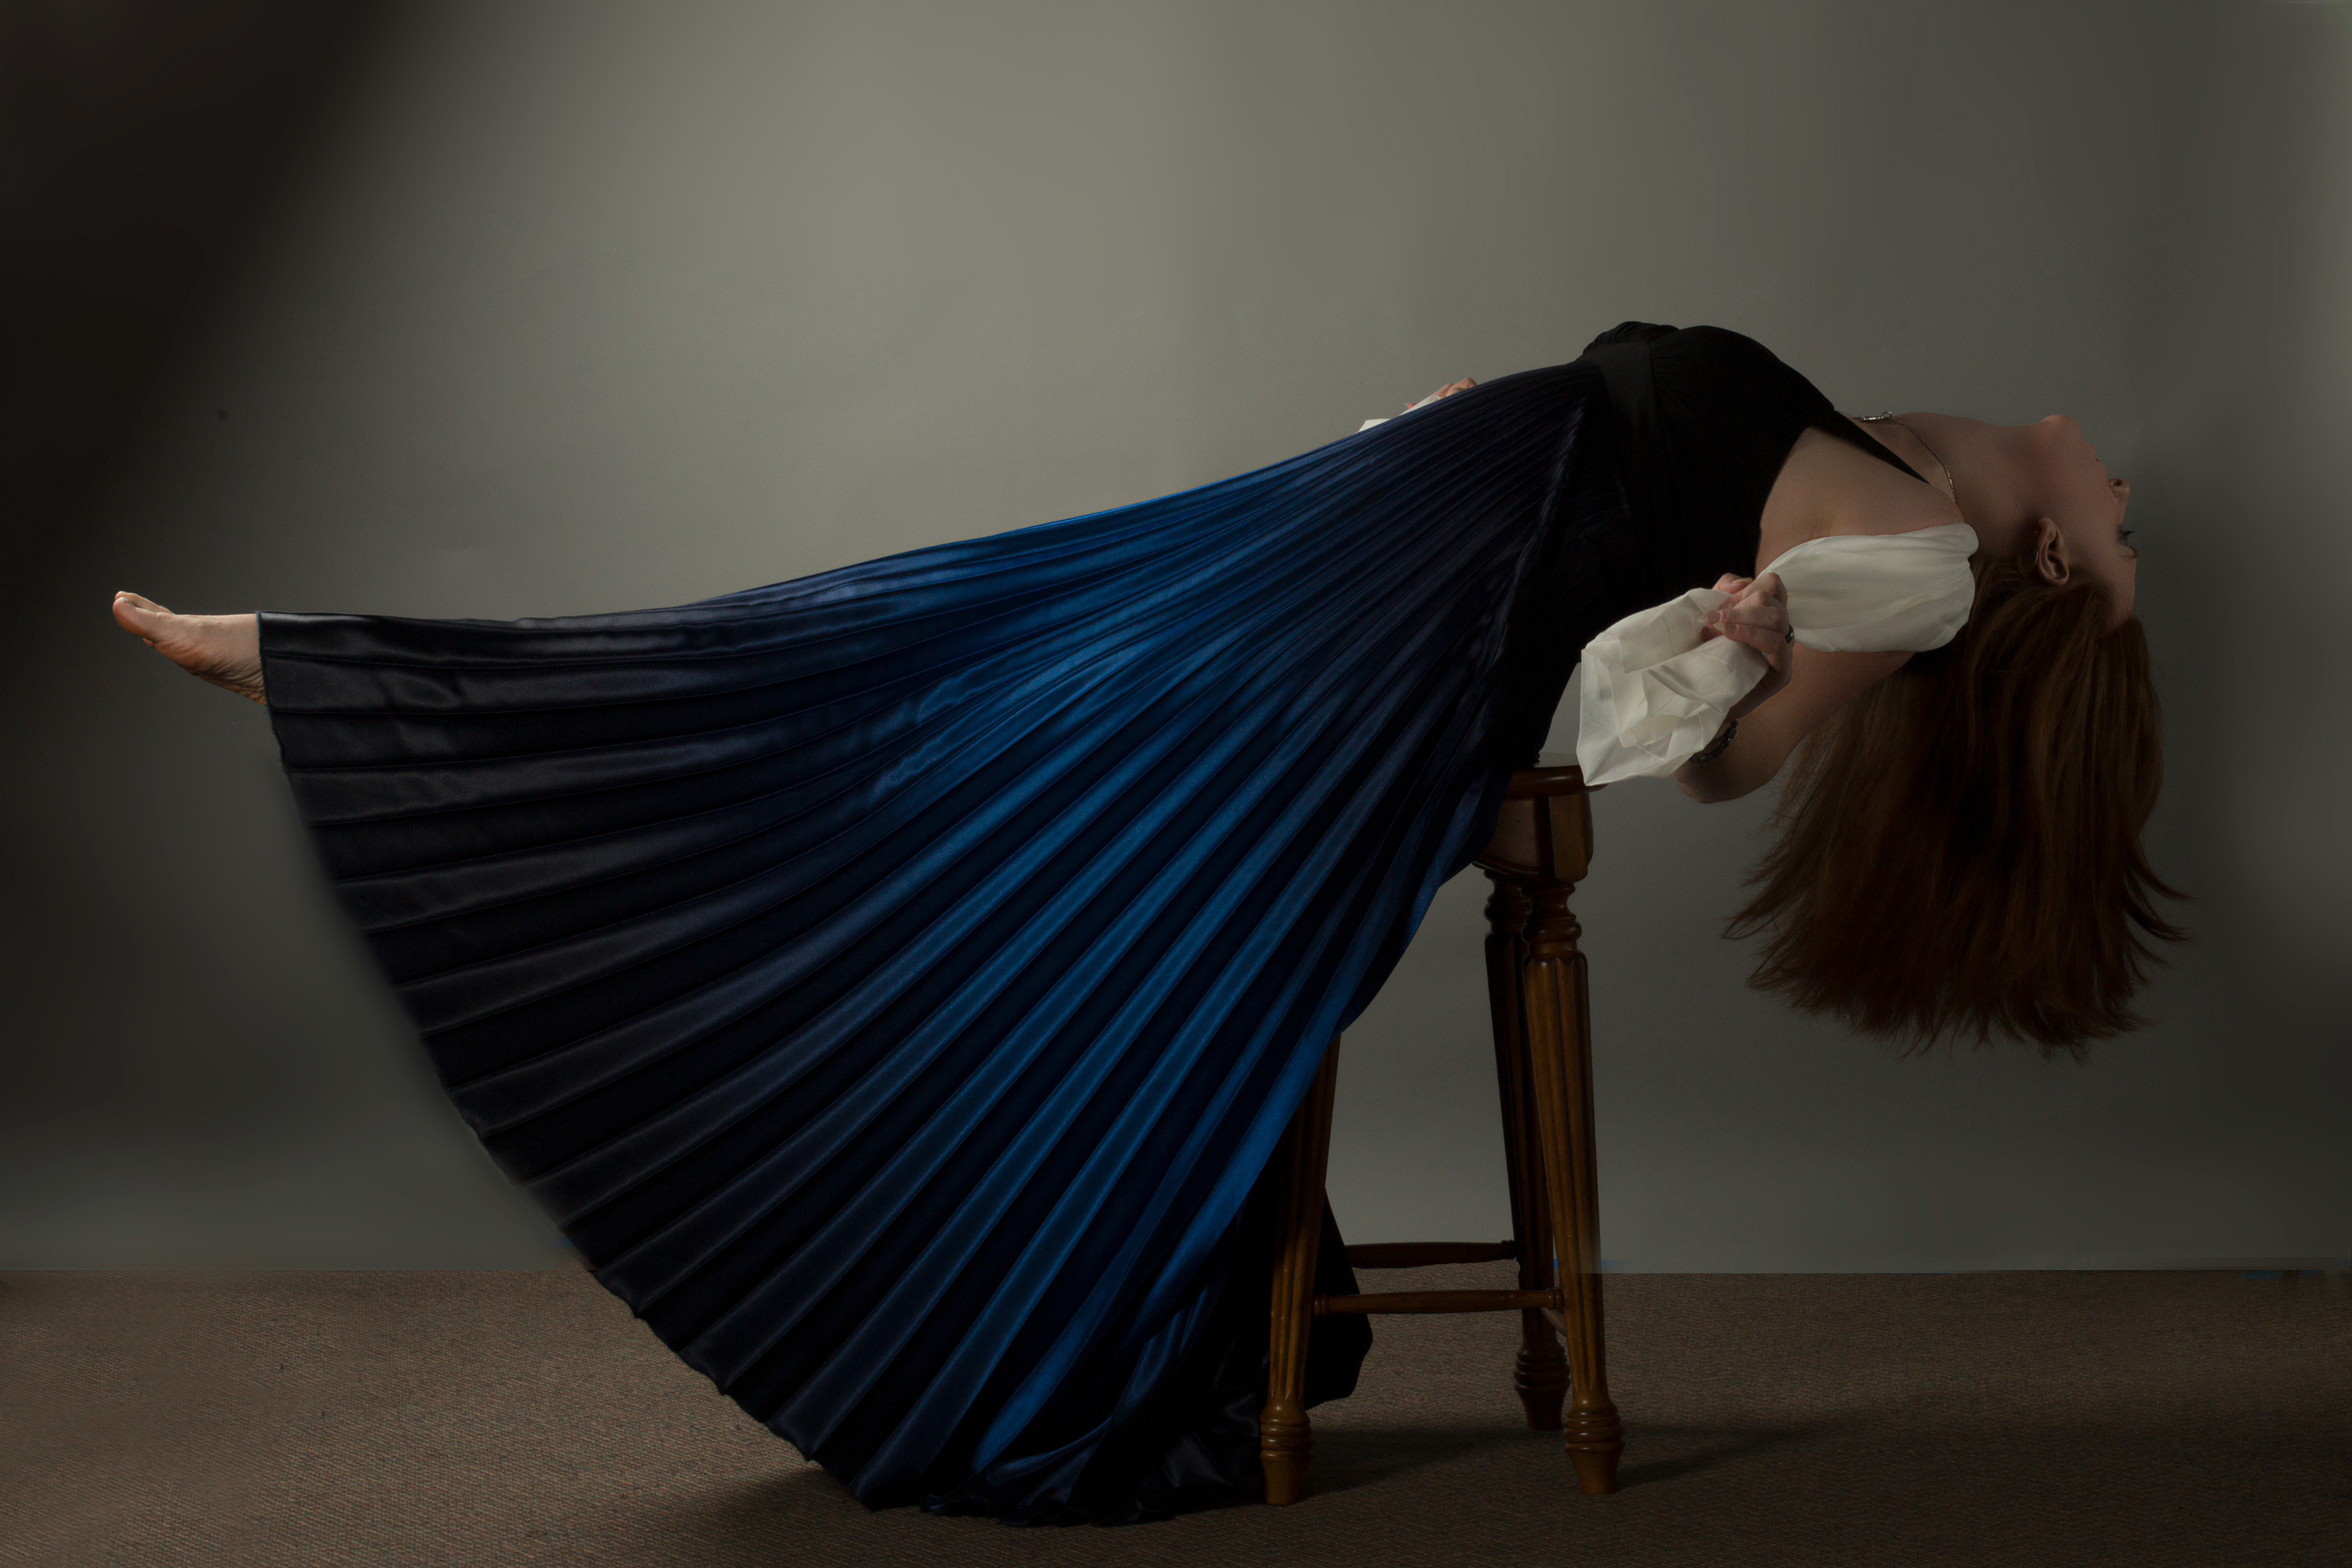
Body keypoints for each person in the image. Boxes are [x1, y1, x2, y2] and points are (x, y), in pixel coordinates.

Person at [109, 321, 2187, 1523]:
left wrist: (1737, 651)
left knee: (951, 712)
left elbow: (1724, 772)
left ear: (2053, 579)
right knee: (951, 650)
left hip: (1382, 636)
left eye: (2127, 545)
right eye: (2129, 526)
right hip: (1367, 537)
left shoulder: (1926, 554)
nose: (2132, 505)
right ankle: (378, 688)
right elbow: (1659, 448)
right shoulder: (1927, 457)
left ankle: (373, 693)